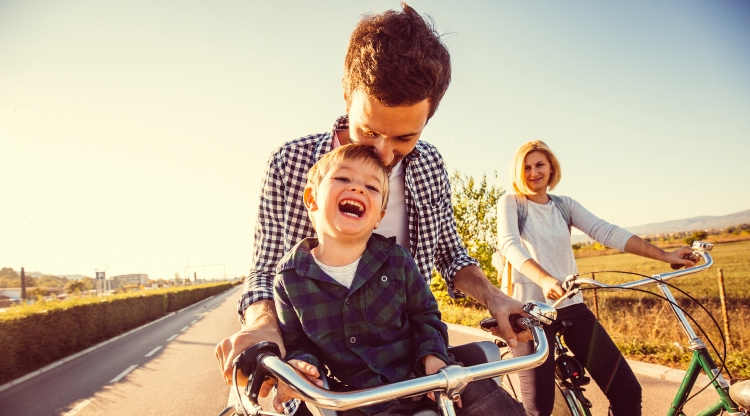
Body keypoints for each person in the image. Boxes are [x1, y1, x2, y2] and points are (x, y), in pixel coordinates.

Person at [215, 4, 532, 413]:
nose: (384, 154)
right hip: (323, 379)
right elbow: (265, 268)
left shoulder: (430, 165)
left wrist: (495, 298)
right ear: (347, 96)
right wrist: (262, 327)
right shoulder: (291, 164)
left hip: (413, 361)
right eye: (368, 131)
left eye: (404, 137)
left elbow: (451, 255)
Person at [273, 143, 525, 415]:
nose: (357, 188)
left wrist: (434, 360)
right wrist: (302, 367)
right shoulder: (289, 280)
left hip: (427, 374)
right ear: (311, 199)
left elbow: (425, 315)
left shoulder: (397, 260)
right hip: (360, 399)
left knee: (485, 398)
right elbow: (299, 345)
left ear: (378, 217)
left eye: (371, 188)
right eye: (343, 178)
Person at [496, 140, 698, 416]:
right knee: (539, 409)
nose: (534, 173)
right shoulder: (512, 203)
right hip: (529, 313)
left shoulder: (564, 206)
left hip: (570, 304)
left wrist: (666, 255)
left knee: (627, 390)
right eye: (526, 167)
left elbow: (606, 231)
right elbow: (510, 244)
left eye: (540, 165)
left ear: (551, 167)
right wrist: (544, 280)